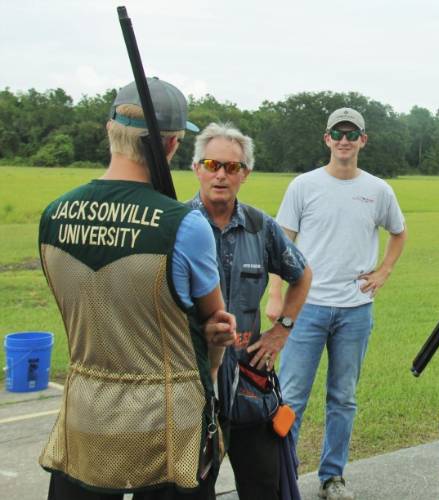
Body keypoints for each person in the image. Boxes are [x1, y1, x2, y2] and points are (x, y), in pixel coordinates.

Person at [38, 78, 236, 499]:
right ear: (170, 146)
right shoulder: (186, 225)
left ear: (110, 131)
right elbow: (215, 324)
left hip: (85, 418)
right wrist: (215, 361)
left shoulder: (53, 217)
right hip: (169, 428)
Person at [268, 107, 407, 500]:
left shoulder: (379, 190)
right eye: (337, 133)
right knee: (292, 395)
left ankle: (332, 477)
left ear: (363, 140)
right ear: (326, 139)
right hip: (305, 309)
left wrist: (384, 272)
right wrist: (276, 296)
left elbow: (399, 233)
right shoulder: (303, 186)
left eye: (352, 133)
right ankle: (285, 474)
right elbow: (280, 246)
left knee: (343, 398)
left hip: (355, 312)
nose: (344, 140)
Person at [187, 122, 312, 499]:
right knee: (190, 488)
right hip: (192, 384)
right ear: (197, 169)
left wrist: (281, 330)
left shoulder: (262, 227)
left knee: (264, 488)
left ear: (246, 174)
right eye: (212, 164)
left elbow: (302, 274)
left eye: (232, 167)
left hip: (248, 381)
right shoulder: (178, 226)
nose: (221, 174)